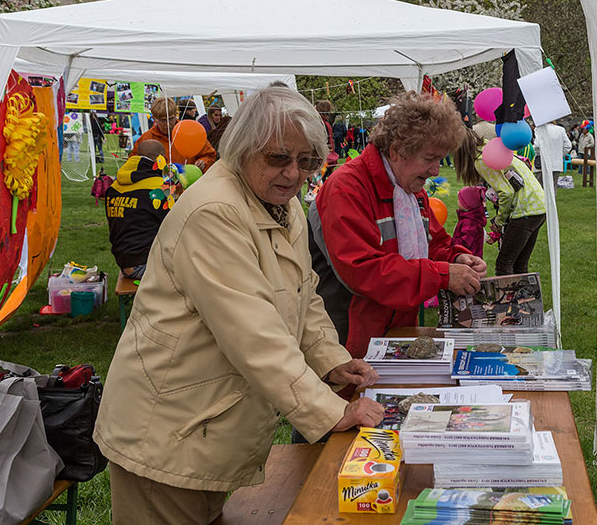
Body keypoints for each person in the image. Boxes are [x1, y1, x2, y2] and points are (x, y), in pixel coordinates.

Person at [94, 86, 384, 525]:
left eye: (306, 162)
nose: (293, 173)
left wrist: (331, 360)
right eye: (278, 158)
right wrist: (331, 411)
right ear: (242, 148)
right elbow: (253, 333)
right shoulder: (214, 211)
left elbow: (304, 295)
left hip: (204, 424)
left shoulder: (280, 204)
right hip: (166, 428)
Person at [309, 91, 486, 356]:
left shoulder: (410, 188)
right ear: (397, 150)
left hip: (396, 331)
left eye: (440, 159)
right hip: (349, 339)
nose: (436, 170)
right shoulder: (347, 188)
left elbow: (433, 243)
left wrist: (457, 259)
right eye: (429, 159)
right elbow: (363, 271)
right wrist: (443, 274)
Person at [455, 128, 546, 276]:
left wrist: (499, 221)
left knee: (504, 265)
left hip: (525, 209)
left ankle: (508, 298)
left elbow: (506, 192)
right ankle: (523, 298)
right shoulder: (491, 147)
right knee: (519, 263)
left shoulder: (481, 159)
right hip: (539, 206)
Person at [104, 140, 169, 280]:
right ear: (161, 159)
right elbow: (175, 226)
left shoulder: (114, 187)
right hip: (146, 263)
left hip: (123, 261)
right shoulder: (159, 188)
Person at [130, 98, 217, 171]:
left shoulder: (190, 132)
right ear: (154, 119)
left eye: (171, 119)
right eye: (163, 120)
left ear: (176, 115)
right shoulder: (146, 139)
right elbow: (133, 162)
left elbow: (210, 155)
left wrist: (203, 162)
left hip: (188, 186)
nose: (168, 124)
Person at [451, 186, 487, 259]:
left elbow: (465, 242)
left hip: (469, 259)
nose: (458, 201)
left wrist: (450, 242)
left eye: (460, 200)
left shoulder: (470, 222)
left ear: (467, 204)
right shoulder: (470, 218)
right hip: (470, 257)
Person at [533, 121, 573, 187]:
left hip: (542, 163)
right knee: (553, 188)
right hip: (556, 164)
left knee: (540, 188)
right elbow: (568, 146)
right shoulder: (561, 130)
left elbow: (537, 145)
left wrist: (538, 153)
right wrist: (559, 155)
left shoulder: (539, 129)